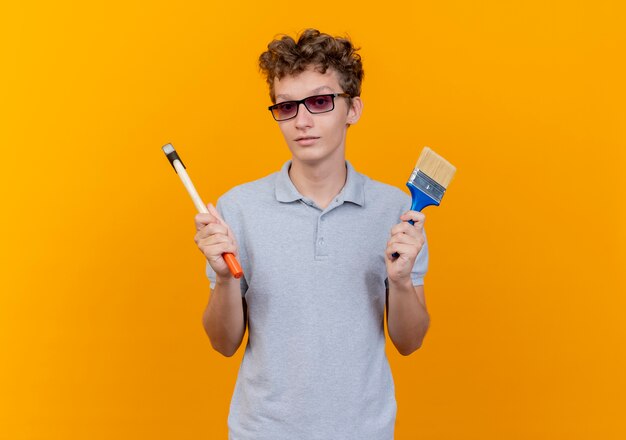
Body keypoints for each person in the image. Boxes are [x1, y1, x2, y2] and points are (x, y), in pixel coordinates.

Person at [195, 28, 430, 440]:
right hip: (262, 431)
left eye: (320, 102)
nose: (301, 121)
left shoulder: (396, 212)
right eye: (286, 107)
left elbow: (409, 343)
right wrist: (224, 280)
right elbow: (222, 343)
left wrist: (401, 282)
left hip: (365, 431)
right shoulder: (237, 209)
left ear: (352, 108)